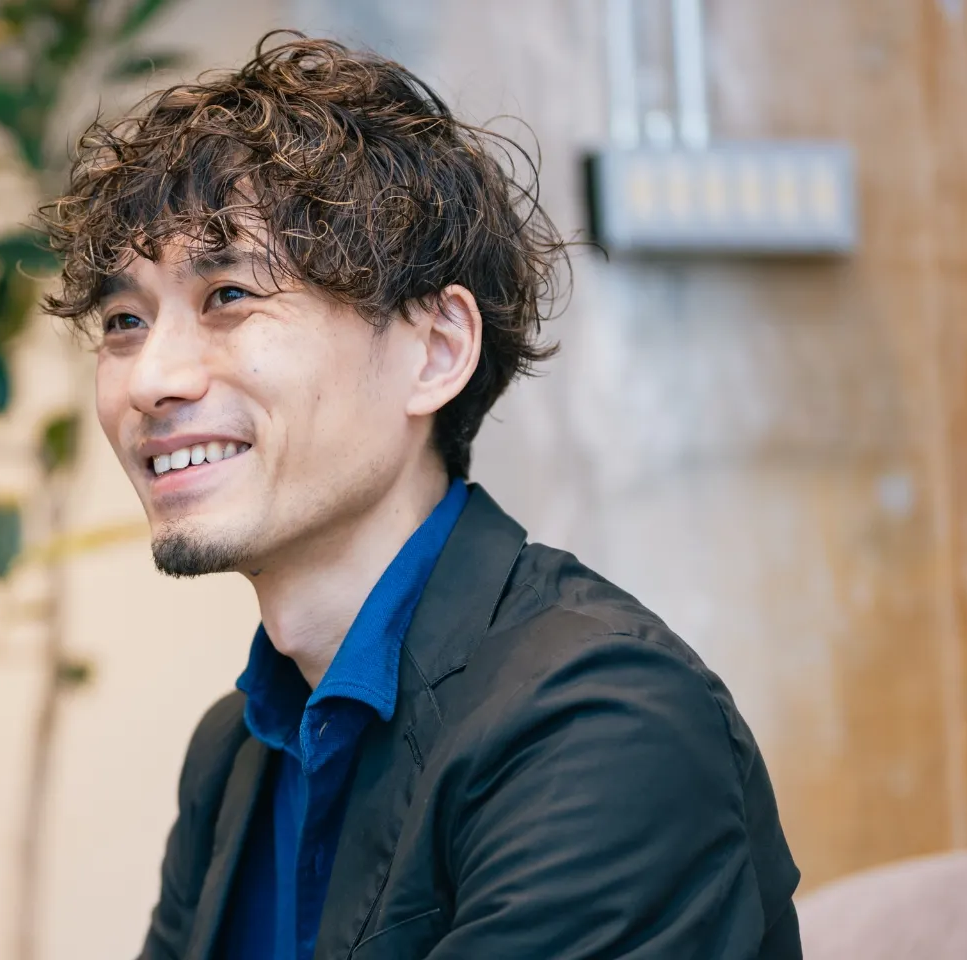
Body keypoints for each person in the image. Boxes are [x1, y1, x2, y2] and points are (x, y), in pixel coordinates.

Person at [42, 35, 803, 959]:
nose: (150, 379)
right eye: (125, 321)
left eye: (230, 295)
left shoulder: (601, 723)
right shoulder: (236, 754)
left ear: (436, 351)